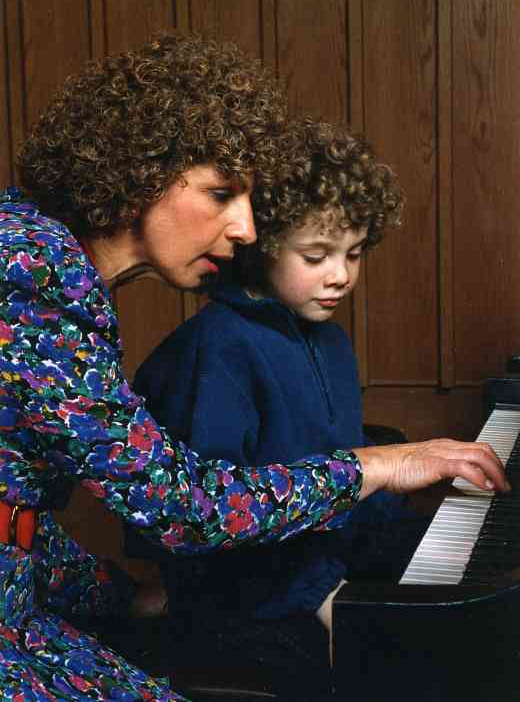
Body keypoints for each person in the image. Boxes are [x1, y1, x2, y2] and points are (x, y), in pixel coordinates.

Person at [0, 31, 508, 702]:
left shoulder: (47, 263)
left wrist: (122, 595)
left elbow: (14, 512)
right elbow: (178, 504)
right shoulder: (32, 268)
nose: (245, 229)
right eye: (219, 194)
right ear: (136, 174)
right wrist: (375, 465)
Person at [128, 119, 430, 696]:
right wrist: (320, 595)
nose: (340, 276)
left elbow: (337, 472)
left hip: (320, 564)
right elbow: (209, 529)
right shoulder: (218, 347)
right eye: (316, 256)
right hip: (245, 594)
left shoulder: (330, 341)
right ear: (262, 246)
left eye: (354, 254)